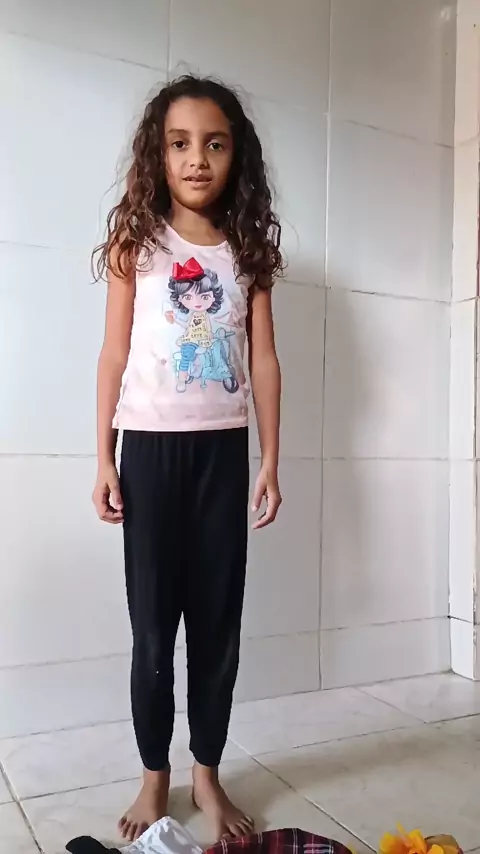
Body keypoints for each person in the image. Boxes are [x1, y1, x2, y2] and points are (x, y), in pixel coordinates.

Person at [91, 74, 283, 845]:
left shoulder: (247, 254)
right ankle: (154, 777)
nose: (197, 159)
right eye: (179, 144)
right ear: (158, 155)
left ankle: (206, 773)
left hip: (222, 455)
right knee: (151, 632)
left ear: (237, 156)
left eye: (214, 144)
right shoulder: (136, 246)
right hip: (148, 453)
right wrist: (103, 457)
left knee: (216, 626)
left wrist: (271, 459)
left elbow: (263, 360)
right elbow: (112, 355)